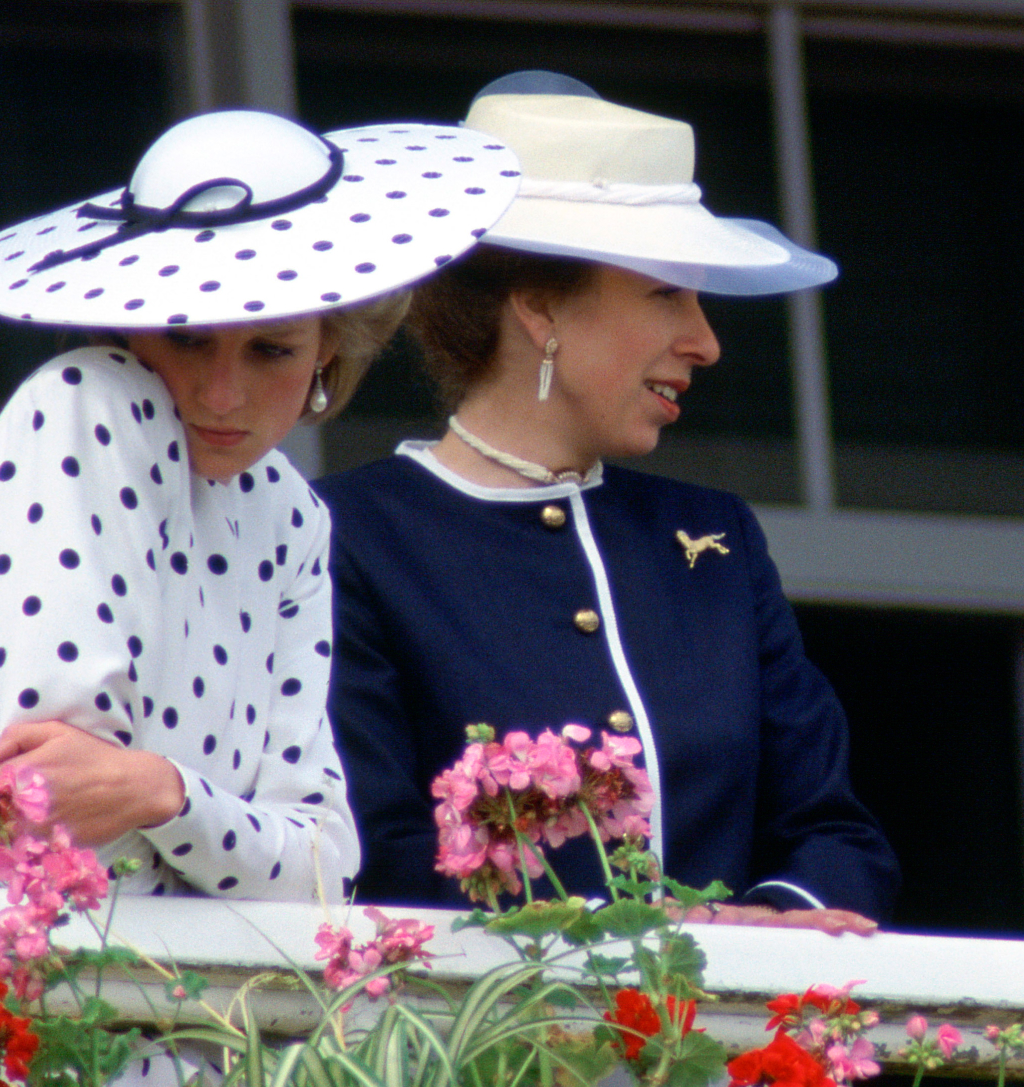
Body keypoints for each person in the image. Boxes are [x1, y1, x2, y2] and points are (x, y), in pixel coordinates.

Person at [0, 109, 522, 901]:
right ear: (125, 327)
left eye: (271, 348)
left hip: (153, 992)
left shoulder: (292, 513)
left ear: (328, 350)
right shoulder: (89, 400)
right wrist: (209, 824)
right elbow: (63, 796)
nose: (222, 392)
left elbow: (322, 864)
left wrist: (165, 792)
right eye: (187, 337)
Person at [317, 72, 899, 930]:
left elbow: (833, 832)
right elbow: (372, 852)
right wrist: (619, 936)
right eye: (666, 292)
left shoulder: (714, 539)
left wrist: (776, 925)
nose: (704, 342)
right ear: (540, 305)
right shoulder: (344, 536)